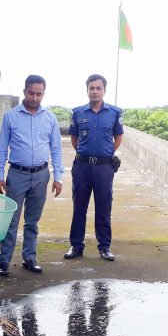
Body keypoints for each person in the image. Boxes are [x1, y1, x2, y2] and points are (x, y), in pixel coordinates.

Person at [0, 75, 63, 275]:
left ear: (43, 94)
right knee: (11, 220)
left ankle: (29, 258)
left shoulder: (50, 118)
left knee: (32, 220)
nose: (34, 98)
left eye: (39, 94)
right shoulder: (11, 117)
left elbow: (56, 149)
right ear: (24, 91)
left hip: (41, 175)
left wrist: (58, 178)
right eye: (31, 93)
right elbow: (2, 148)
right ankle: (4, 261)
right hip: (17, 174)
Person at [65, 74, 124, 262]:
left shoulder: (115, 113)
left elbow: (118, 137)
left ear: (104, 90)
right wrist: (86, 155)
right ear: (87, 90)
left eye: (98, 88)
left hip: (104, 168)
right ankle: (76, 245)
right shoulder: (78, 113)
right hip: (82, 167)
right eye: (92, 88)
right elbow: (74, 139)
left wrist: (106, 154)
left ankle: (104, 246)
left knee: (104, 207)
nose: (95, 91)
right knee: (79, 207)